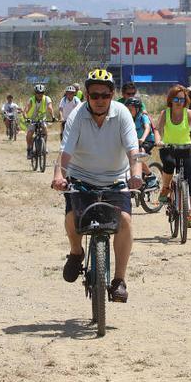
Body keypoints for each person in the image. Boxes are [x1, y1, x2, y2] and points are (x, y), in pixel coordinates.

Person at [51, 68, 142, 303]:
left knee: (125, 221)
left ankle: (119, 280)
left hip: (115, 179)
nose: (100, 100)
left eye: (105, 95)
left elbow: (133, 150)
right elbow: (65, 151)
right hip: (81, 178)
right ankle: (76, 252)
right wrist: (59, 175)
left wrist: (136, 174)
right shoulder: (77, 116)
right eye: (94, 95)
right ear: (87, 96)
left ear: (112, 95)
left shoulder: (122, 114)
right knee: (73, 216)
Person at [153, 84, 191, 228]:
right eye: (176, 100)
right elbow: (158, 129)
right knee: (169, 165)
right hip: (168, 148)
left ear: (186, 101)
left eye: (182, 100)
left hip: (186, 148)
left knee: (189, 181)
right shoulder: (165, 113)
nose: (179, 102)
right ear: (171, 100)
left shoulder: (189, 114)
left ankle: (190, 213)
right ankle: (165, 187)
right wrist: (158, 141)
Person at [125, 96, 158, 188]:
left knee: (139, 155)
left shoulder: (143, 116)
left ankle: (150, 175)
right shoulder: (128, 118)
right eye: (127, 109)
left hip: (147, 140)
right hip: (134, 142)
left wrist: (143, 139)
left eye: (131, 109)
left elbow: (147, 128)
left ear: (137, 108)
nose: (129, 110)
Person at [24, 84, 55, 159]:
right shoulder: (31, 100)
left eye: (42, 93)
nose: (40, 94)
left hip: (42, 118)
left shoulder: (47, 98)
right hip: (32, 119)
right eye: (38, 93)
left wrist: (53, 116)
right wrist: (26, 118)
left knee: (45, 130)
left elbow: (50, 108)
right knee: (30, 133)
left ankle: (44, 147)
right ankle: (29, 149)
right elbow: (25, 111)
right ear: (35, 93)